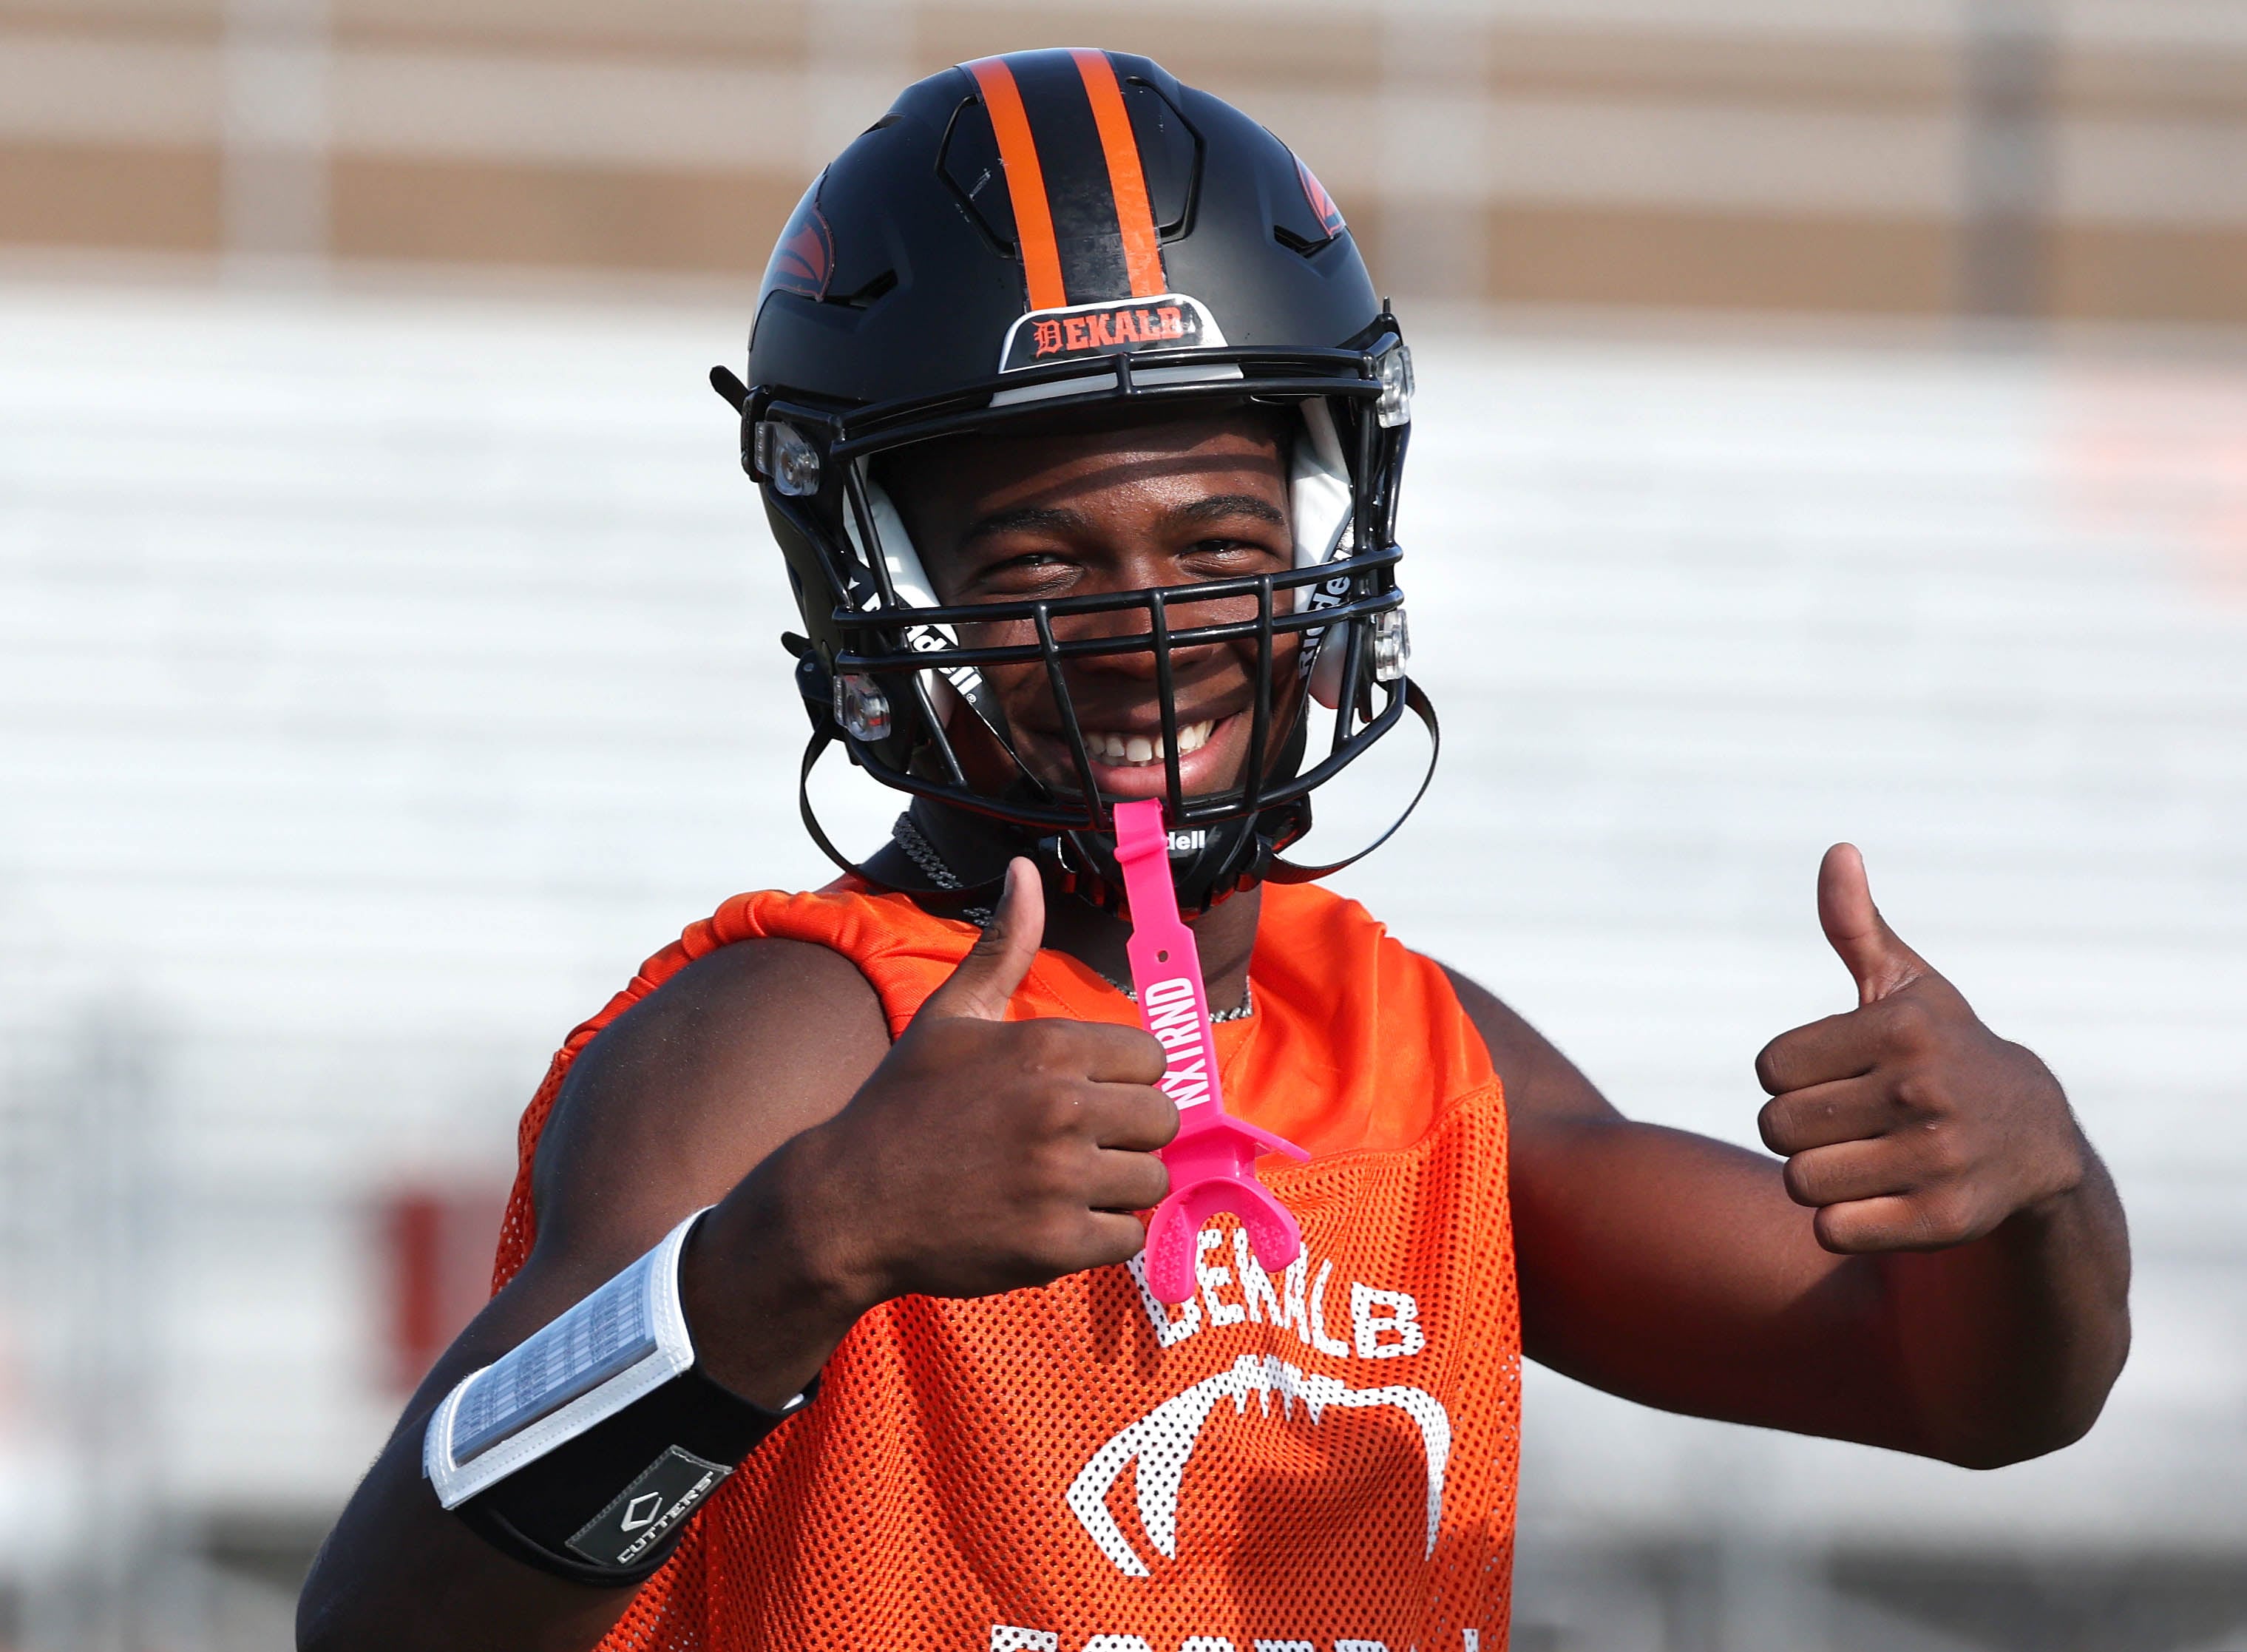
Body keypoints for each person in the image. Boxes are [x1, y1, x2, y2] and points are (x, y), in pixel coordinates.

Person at [296, 48, 2130, 1652]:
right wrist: (804, 1241)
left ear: (1329, 545)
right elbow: (387, 1621)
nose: (1142, 629)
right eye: (1034, 570)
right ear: (875, 589)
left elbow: (1953, 1382)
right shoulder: (795, 1033)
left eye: (1216, 545)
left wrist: (2034, 1187)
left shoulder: (1411, 1050)